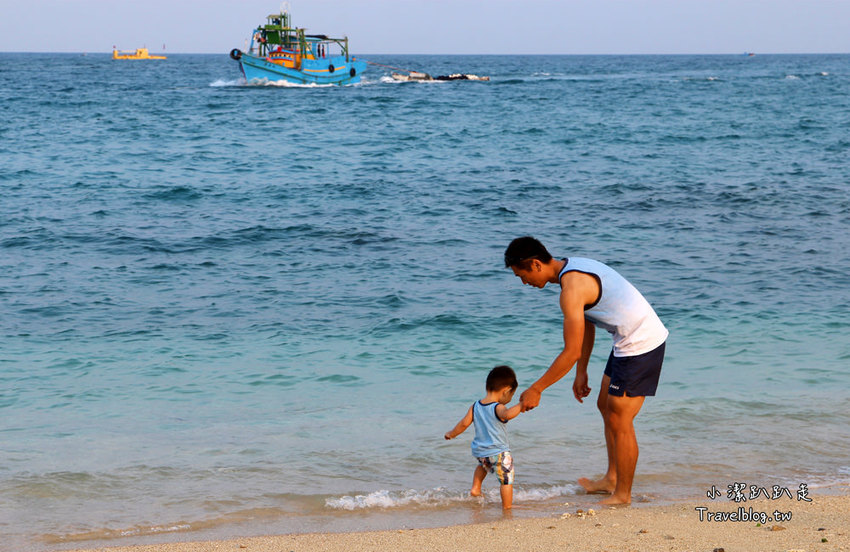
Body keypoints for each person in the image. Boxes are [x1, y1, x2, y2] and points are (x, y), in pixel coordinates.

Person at [504, 236, 668, 505]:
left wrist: (537, 388)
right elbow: (587, 322)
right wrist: (582, 371)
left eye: (521, 275)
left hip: (641, 342)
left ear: (534, 264)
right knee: (605, 405)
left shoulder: (571, 289)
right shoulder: (571, 268)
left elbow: (569, 351)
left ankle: (623, 495)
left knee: (620, 419)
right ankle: (612, 479)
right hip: (625, 338)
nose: (524, 283)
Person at [445, 365, 523, 509]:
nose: (510, 399)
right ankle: (507, 506)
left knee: (483, 466)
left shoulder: (475, 406)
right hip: (499, 451)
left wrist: (451, 433)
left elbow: (463, 424)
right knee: (506, 479)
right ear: (506, 391)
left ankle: (476, 488)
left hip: (481, 452)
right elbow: (507, 415)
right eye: (511, 395)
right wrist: (521, 405)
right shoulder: (498, 407)